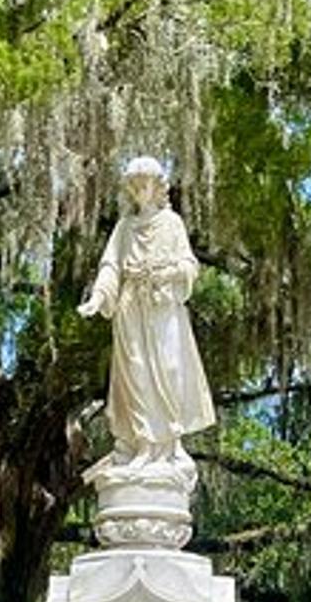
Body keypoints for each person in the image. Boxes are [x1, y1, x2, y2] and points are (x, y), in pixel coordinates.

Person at [77, 156, 216, 469]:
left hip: (162, 307)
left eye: (145, 184)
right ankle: (143, 443)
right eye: (134, 185)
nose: (139, 190)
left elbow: (188, 265)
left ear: (157, 187)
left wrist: (165, 274)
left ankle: (169, 443)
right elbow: (111, 265)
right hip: (130, 308)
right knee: (136, 374)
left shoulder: (172, 223)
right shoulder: (125, 227)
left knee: (169, 369)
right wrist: (98, 298)